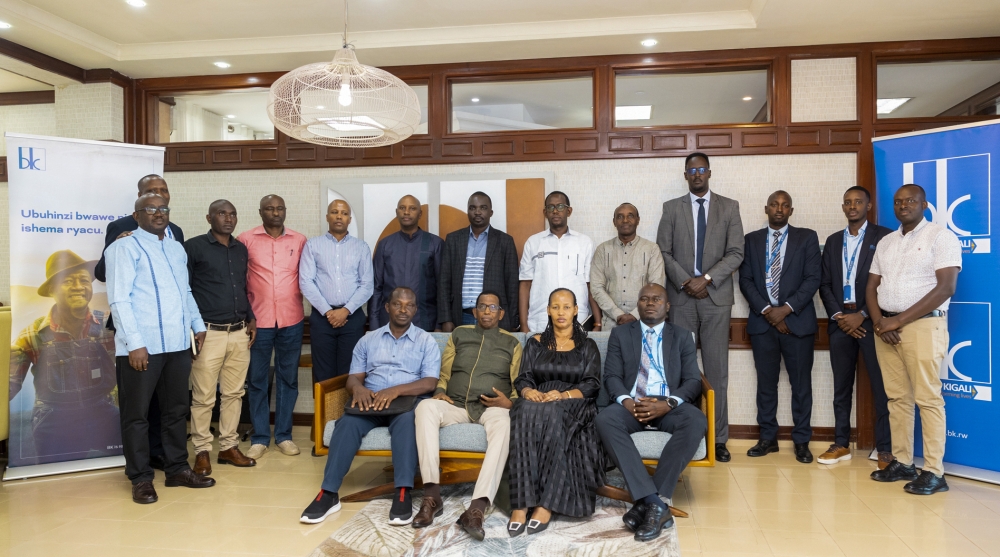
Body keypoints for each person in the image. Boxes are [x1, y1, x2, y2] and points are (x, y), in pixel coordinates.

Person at [106, 193, 215, 504]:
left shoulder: (175, 247)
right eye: (150, 209)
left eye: (163, 208)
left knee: (175, 411)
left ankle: (177, 468)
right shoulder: (123, 247)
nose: (158, 213)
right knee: (137, 415)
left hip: (178, 344)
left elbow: (186, 291)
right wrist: (134, 344)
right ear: (136, 215)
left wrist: (197, 325)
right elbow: (119, 299)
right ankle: (140, 478)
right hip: (142, 348)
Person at [300, 287, 441, 525]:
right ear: (387, 307)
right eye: (398, 304)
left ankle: (403, 492)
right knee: (346, 424)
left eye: (409, 305)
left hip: (405, 401)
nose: (403, 309)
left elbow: (430, 382)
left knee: (408, 423)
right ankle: (328, 493)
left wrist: (396, 390)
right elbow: (353, 377)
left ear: (416, 310)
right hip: (371, 400)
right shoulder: (368, 339)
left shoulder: (426, 341)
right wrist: (358, 389)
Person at [868, 184, 961, 495]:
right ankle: (904, 462)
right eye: (898, 201)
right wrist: (881, 322)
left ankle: (935, 471)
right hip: (887, 329)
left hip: (922, 327)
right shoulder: (886, 242)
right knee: (898, 399)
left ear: (924, 204)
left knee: (928, 399)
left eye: (910, 200)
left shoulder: (940, 236)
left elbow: (945, 288)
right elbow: (871, 287)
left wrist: (898, 320)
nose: (903, 205)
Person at [597, 284, 706, 543]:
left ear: (667, 306)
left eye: (657, 299)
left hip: (666, 404)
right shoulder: (621, 334)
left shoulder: (682, 336)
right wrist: (626, 401)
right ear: (639, 304)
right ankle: (655, 502)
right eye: (644, 299)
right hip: (632, 403)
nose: (650, 303)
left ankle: (647, 502)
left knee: (696, 420)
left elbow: (692, 381)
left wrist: (669, 403)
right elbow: (611, 376)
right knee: (605, 419)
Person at [656, 153, 744, 463]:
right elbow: (663, 252)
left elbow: (736, 253)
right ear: (685, 175)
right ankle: (686, 434)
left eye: (701, 170)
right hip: (681, 299)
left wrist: (705, 279)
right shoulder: (671, 209)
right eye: (691, 170)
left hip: (716, 300)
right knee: (681, 372)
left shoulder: (729, 207)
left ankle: (718, 439)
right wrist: (686, 281)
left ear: (709, 173)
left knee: (717, 373)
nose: (697, 175)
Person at [413, 290, 522, 539]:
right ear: (474, 312)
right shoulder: (459, 334)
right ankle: (432, 496)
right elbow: (445, 373)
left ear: (501, 313)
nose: (486, 312)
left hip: (492, 408)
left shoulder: (512, 343)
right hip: (457, 404)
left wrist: (510, 402)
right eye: (482, 307)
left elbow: (518, 383)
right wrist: (440, 391)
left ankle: (477, 508)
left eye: (492, 307)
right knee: (425, 407)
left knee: (504, 425)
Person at [95, 174, 183, 471]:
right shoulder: (122, 232)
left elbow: (181, 286)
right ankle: (140, 473)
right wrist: (117, 248)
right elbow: (107, 276)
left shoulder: (176, 235)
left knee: (169, 407)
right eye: (152, 195)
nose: (159, 203)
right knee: (138, 409)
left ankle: (166, 459)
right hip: (137, 334)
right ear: (139, 204)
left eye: (163, 194)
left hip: (172, 338)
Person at [507, 288, 605, 537]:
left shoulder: (587, 345)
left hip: (575, 403)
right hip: (538, 399)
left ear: (575, 311)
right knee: (521, 410)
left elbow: (592, 384)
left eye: (566, 307)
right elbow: (523, 378)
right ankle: (520, 504)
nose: (561, 312)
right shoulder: (535, 342)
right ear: (548, 310)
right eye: (555, 307)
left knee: (550, 413)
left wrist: (563, 395)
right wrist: (528, 391)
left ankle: (546, 503)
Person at [9, 250, 120, 461]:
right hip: (54, 420)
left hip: (103, 413)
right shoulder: (33, 335)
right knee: (55, 483)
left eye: (84, 280)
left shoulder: (109, 326)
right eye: (68, 281)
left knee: (130, 455)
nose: (78, 287)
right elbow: (9, 386)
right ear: (52, 289)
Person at [738, 190, 820, 464]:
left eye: (785, 205)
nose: (779, 209)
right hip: (762, 324)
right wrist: (767, 311)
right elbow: (746, 280)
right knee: (766, 384)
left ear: (791, 211)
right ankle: (767, 438)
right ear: (766, 208)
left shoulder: (806, 237)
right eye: (774, 204)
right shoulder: (751, 240)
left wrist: (784, 310)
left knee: (801, 385)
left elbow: (812, 279)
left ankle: (801, 441)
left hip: (797, 323)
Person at [818, 186, 893, 468]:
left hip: (871, 322)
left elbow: (888, 280)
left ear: (868, 206)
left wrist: (862, 314)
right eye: (848, 202)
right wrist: (840, 316)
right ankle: (841, 443)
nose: (852, 206)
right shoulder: (834, 241)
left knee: (880, 387)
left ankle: (884, 448)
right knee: (841, 387)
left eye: (858, 202)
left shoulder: (884, 236)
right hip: (841, 323)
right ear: (843, 207)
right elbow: (824, 284)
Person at [185, 200, 257, 476]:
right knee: (203, 397)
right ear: (209, 218)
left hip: (239, 332)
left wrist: (250, 317)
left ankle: (228, 446)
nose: (228, 218)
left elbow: (241, 287)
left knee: (235, 394)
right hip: (208, 333)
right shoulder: (194, 247)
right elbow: (185, 290)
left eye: (232, 214)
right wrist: (192, 329)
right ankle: (202, 451)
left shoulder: (240, 249)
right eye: (221, 214)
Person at [238, 194, 308, 460]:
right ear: (260, 212)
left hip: (291, 319)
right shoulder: (246, 239)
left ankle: (284, 436)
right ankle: (259, 438)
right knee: (257, 380)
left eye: (279, 208)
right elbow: (239, 278)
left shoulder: (299, 240)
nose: (275, 212)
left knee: (288, 379)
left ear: (285, 211)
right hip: (258, 321)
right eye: (269, 208)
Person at [299, 199, 374, 383]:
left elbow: (367, 285)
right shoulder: (312, 245)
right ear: (327, 217)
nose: (339, 216)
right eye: (334, 212)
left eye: (344, 213)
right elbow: (306, 282)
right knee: (323, 374)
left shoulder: (361, 247)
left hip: (352, 317)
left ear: (349, 219)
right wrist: (328, 311)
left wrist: (345, 310)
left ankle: (347, 413)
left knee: (350, 373)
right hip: (322, 317)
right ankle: (325, 413)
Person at [438, 192, 520, 332]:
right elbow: (444, 282)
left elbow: (512, 285)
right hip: (461, 316)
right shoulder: (453, 240)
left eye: (483, 208)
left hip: (494, 318)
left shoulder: (505, 241)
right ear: (467, 211)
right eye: (472, 208)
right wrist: (446, 318)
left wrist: (512, 320)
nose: (477, 212)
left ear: (491, 212)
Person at [519, 191, 599, 332]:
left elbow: (590, 284)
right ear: (545, 212)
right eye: (550, 207)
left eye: (560, 206)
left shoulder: (585, 243)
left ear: (569, 211)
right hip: (540, 319)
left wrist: (597, 322)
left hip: (577, 319)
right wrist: (524, 325)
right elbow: (525, 284)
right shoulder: (533, 242)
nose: (555, 211)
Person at [370, 195, 443, 332]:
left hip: (426, 321)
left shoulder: (434, 244)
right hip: (389, 323)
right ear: (397, 212)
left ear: (420, 213)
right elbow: (376, 287)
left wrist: (439, 324)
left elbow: (442, 288)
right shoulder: (385, 245)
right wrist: (374, 324)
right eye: (402, 208)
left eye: (412, 208)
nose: (407, 212)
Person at [591, 203, 665, 330]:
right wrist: (617, 314)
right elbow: (596, 288)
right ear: (614, 222)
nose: (625, 220)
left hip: (645, 322)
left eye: (630, 216)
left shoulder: (652, 249)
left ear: (638, 220)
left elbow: (657, 287)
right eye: (620, 217)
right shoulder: (603, 250)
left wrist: (635, 315)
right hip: (610, 323)